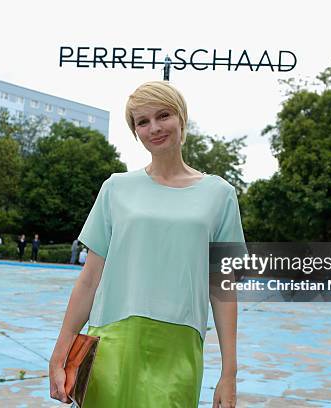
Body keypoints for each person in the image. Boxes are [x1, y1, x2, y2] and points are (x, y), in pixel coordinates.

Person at [49, 81, 244, 408]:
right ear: (135, 131)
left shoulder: (220, 194)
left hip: (179, 346)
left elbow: (222, 289)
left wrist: (229, 373)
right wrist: (60, 352)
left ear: (182, 118)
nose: (154, 128)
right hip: (112, 342)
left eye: (163, 115)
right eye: (142, 121)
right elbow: (89, 279)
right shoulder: (116, 188)